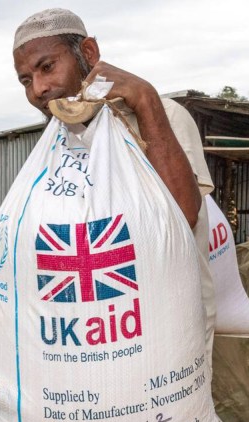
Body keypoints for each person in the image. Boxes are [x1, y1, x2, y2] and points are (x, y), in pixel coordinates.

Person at [11, 8, 215, 358]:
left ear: (88, 53)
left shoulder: (164, 117)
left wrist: (146, 99)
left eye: (47, 67)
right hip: (91, 330)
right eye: (26, 80)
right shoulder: (57, 143)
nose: (39, 89)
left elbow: (183, 215)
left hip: (166, 326)